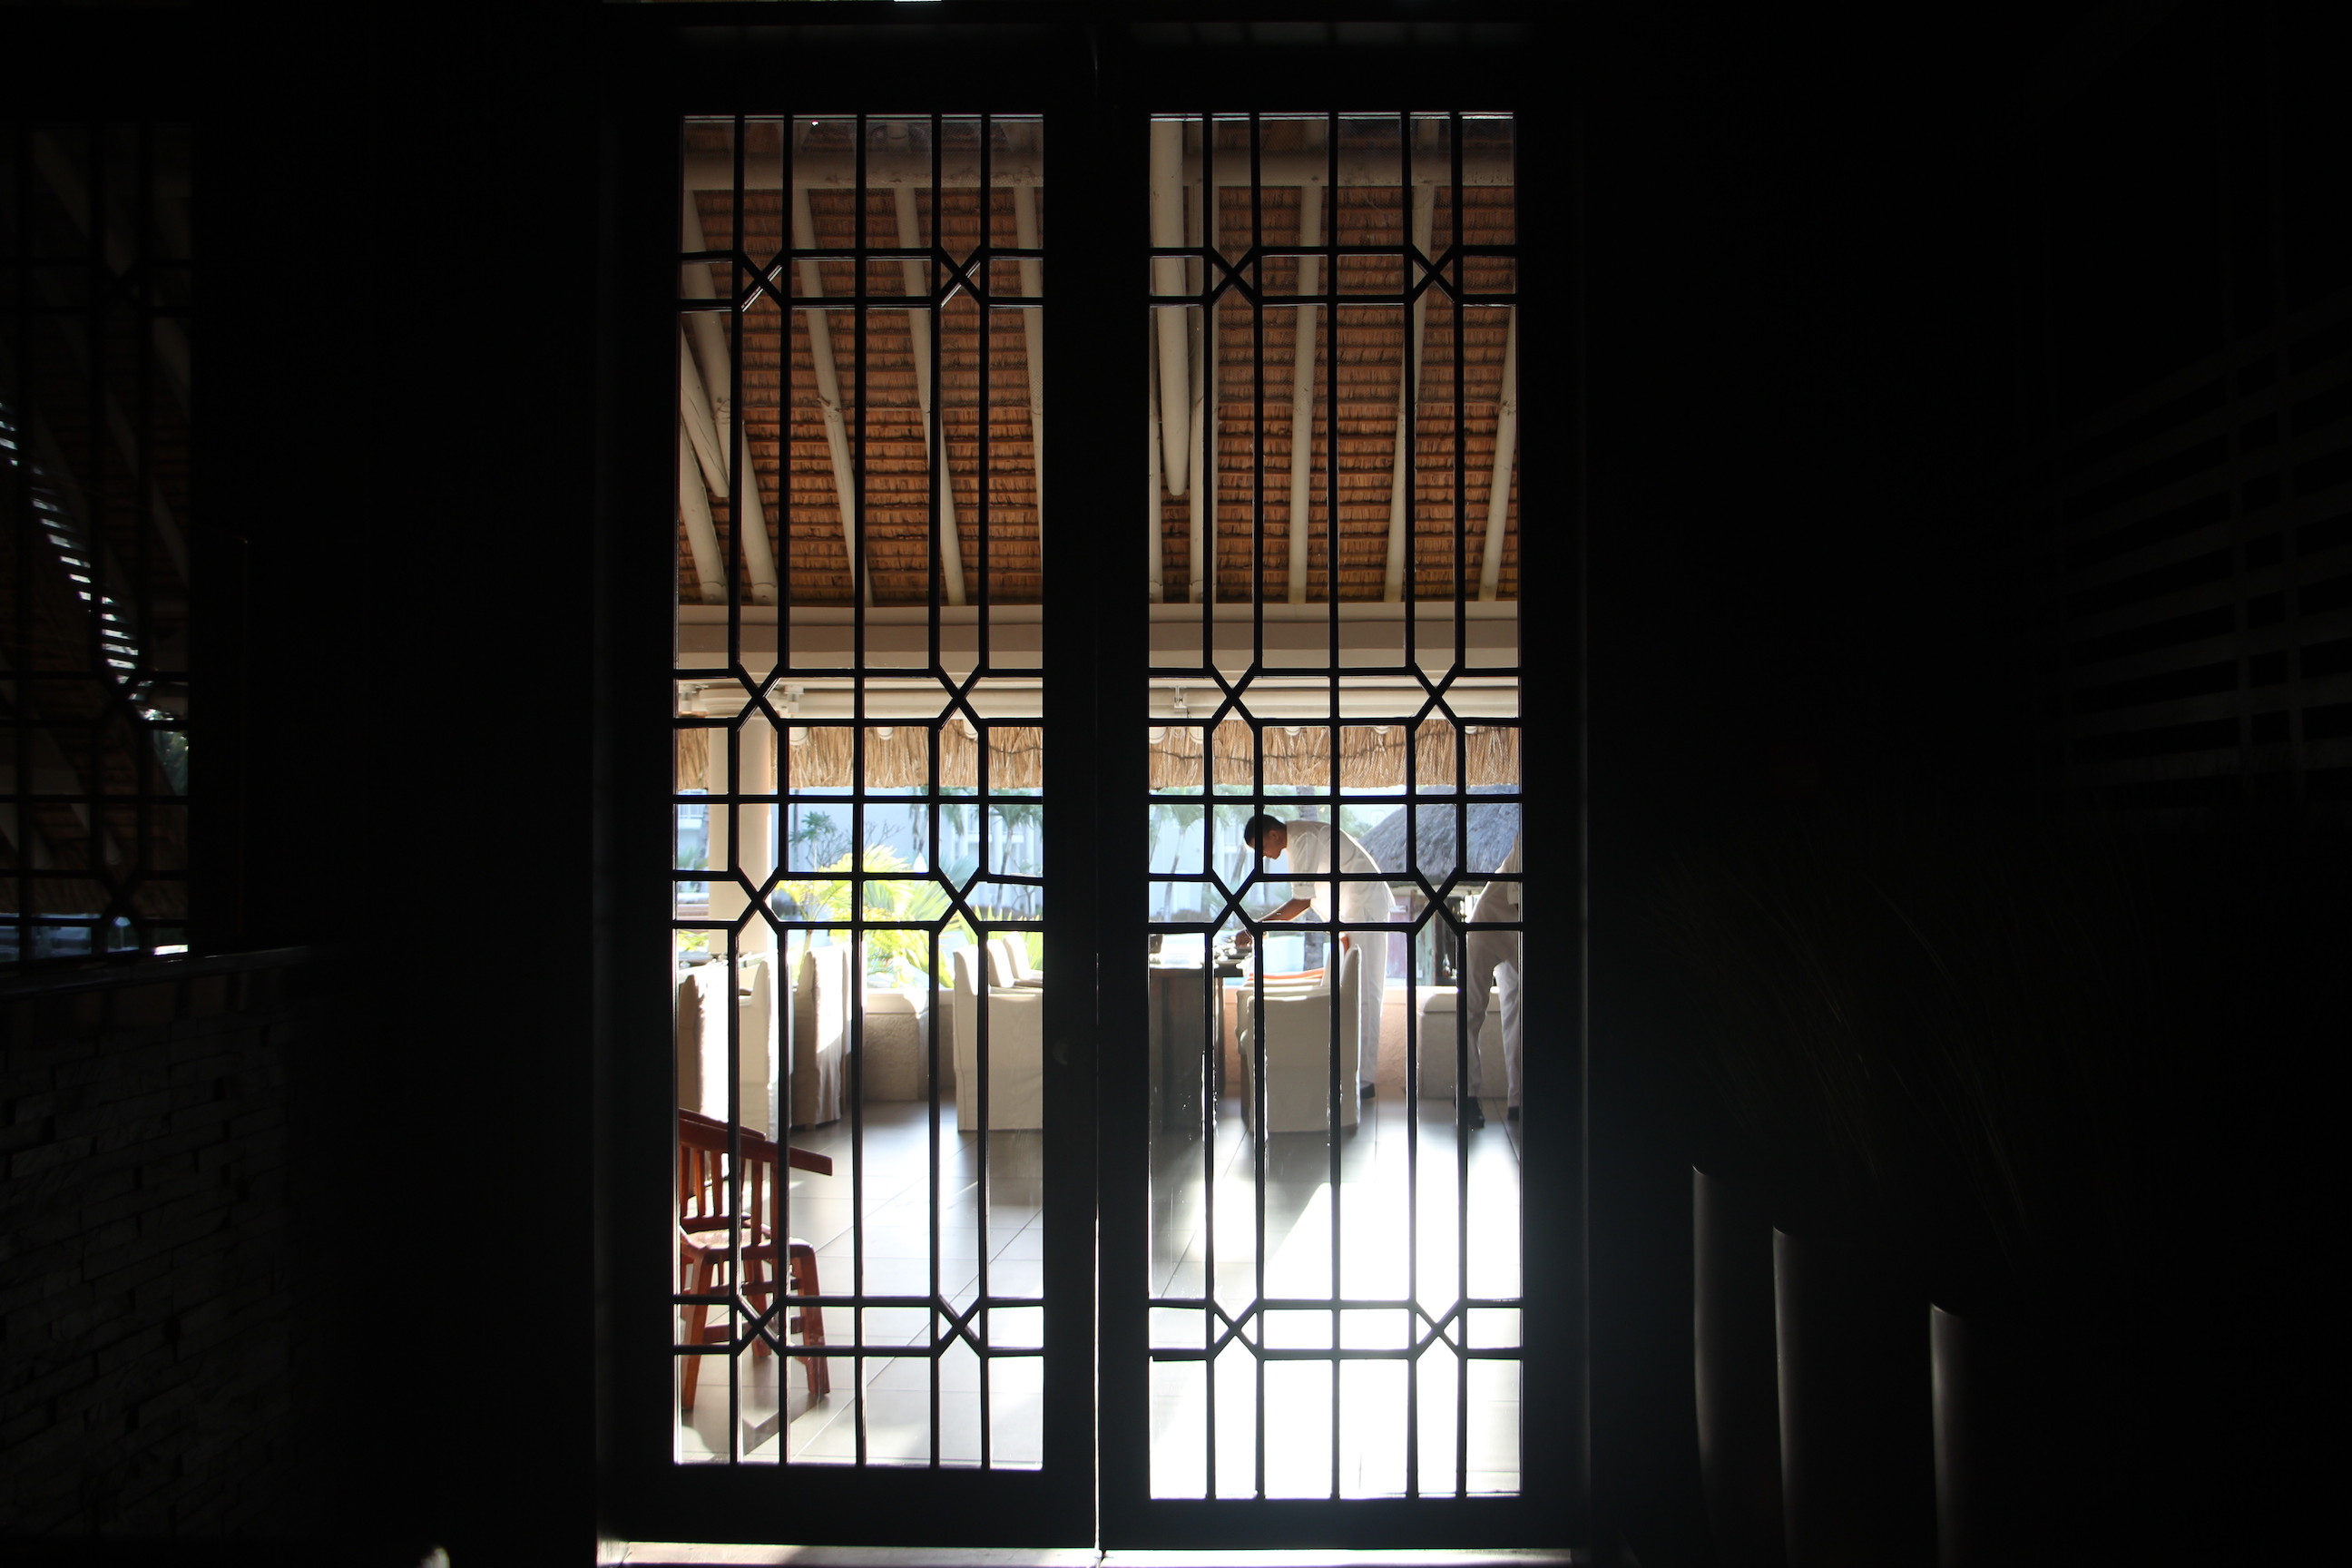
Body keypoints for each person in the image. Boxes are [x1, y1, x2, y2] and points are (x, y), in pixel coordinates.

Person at [1239, 812, 1393, 1098]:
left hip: (1366, 908)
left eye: (1262, 849)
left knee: (1366, 992)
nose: (1265, 856)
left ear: (1274, 835)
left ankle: (1365, 1080)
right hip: (1350, 914)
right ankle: (1345, 1070)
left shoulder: (1303, 838)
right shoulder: (1298, 840)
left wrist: (1257, 927)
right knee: (1338, 989)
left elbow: (1301, 902)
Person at [1460, 834, 1524, 1122]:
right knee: (1471, 1012)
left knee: (1517, 1014)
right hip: (1488, 924)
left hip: (1520, 926)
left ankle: (1519, 1102)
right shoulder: (1526, 833)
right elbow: (1518, 897)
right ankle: (1468, 1097)